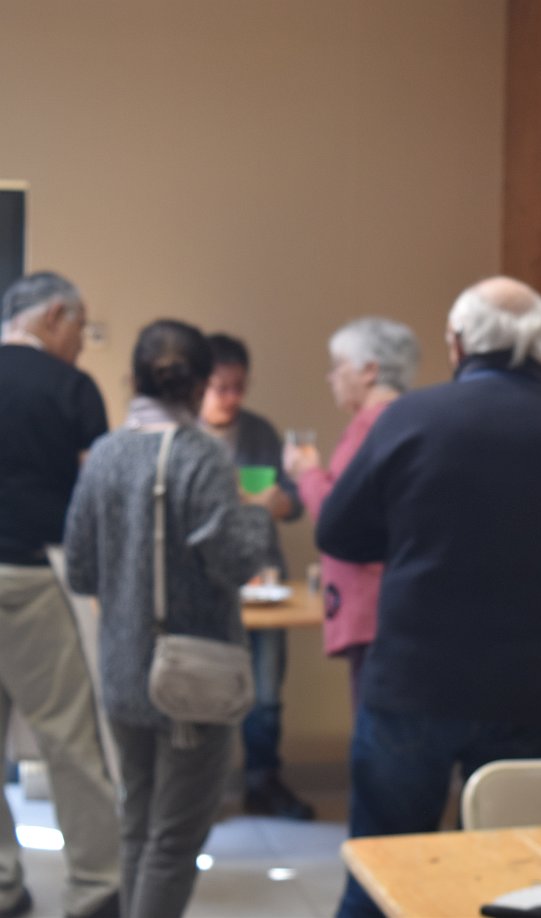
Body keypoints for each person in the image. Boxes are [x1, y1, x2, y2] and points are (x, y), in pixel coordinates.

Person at [317, 277, 541, 918]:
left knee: (380, 874)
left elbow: (338, 531)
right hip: (528, 688)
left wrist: (412, 541)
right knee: (517, 880)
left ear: (457, 343)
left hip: (413, 681)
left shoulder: (410, 418)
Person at [64, 319, 273, 918]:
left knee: (137, 823)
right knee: (176, 839)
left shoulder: (105, 453)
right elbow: (234, 561)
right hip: (191, 674)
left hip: (123, 669)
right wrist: (258, 511)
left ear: (134, 379)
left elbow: (80, 570)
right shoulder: (200, 455)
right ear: (202, 384)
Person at [0, 272, 120, 918]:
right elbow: (95, 490)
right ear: (53, 316)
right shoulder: (70, 387)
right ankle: (98, 888)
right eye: (81, 326)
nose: (81, 341)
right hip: (34, 573)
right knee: (70, 739)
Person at [198, 334, 313, 820]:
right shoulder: (184, 436)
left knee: (265, 695)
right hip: (204, 584)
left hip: (263, 581)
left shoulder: (260, 433)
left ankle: (263, 783)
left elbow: (294, 502)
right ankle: (201, 790)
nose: (231, 398)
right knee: (204, 689)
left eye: (239, 387)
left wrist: (276, 501)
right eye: (221, 387)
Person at [283, 317, 419, 710]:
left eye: (338, 366)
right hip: (399, 604)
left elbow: (339, 518)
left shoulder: (370, 427)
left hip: (372, 608)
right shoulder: (408, 421)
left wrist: (306, 474)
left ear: (370, 370)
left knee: (374, 726)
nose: (331, 378)